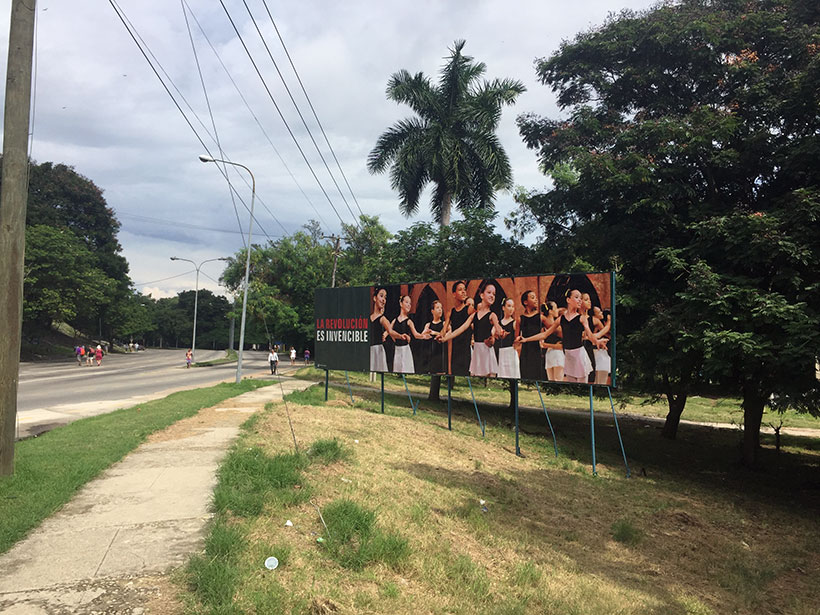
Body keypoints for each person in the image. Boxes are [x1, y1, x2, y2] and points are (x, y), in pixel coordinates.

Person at [389, 295, 431, 374]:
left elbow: (416, 334)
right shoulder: (395, 320)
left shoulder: (409, 321)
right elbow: (389, 331)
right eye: (407, 302)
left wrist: (423, 336)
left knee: (406, 369)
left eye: (410, 303)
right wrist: (394, 337)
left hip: (405, 350)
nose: (409, 305)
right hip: (397, 349)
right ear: (401, 304)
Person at [441, 281, 473, 376]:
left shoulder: (469, 309)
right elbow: (444, 330)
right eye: (460, 290)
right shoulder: (451, 312)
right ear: (454, 294)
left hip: (466, 351)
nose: (463, 292)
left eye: (464, 289)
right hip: (455, 351)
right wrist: (438, 336)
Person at [519, 290, 548, 381]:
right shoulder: (520, 319)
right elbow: (516, 338)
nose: (536, 300)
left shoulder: (541, 317)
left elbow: (552, 330)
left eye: (536, 297)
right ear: (525, 302)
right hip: (525, 353)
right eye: (532, 297)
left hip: (537, 351)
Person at [369, 286, 397, 373]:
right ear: (374, 298)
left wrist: (399, 337)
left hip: (378, 351)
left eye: (385, 297)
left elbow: (390, 331)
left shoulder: (383, 319)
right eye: (381, 296)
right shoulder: (368, 318)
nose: (383, 300)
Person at [496, 298, 520, 379]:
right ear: (503, 308)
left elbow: (518, 338)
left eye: (513, 306)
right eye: (509, 306)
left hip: (511, 352)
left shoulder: (514, 323)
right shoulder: (498, 323)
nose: (511, 309)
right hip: (502, 353)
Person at [542, 300, 565, 382]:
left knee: (553, 380)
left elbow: (543, 344)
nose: (557, 310)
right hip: (555, 355)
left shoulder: (545, 326)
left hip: (551, 354)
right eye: (555, 308)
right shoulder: (557, 327)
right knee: (557, 380)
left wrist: (546, 345)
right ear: (550, 311)